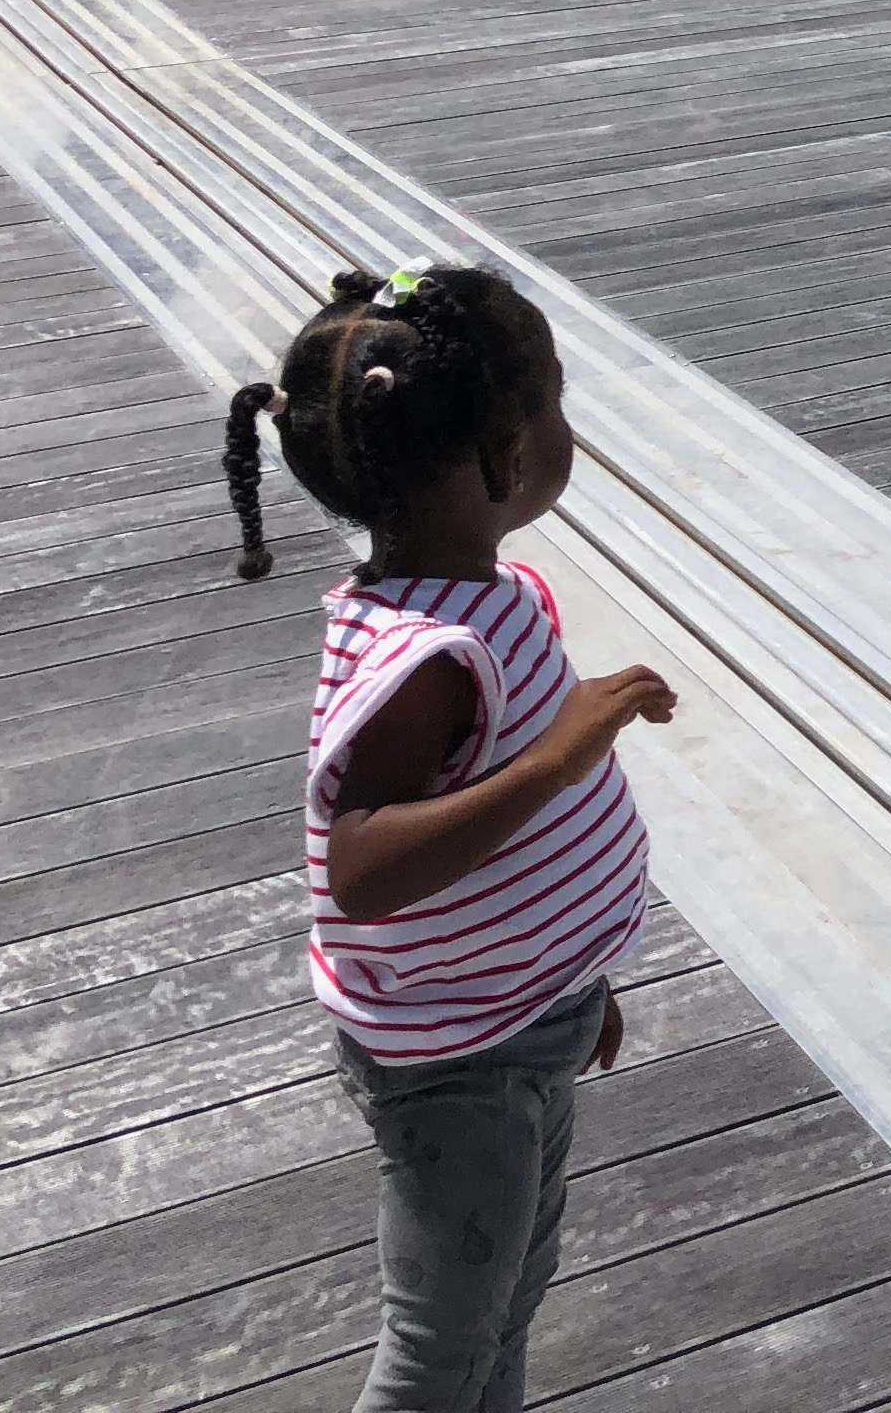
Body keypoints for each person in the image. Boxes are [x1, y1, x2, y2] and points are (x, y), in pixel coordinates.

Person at [221, 265, 676, 1413]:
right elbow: (364, 868)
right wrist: (560, 757)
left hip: (525, 1019)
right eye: (554, 402)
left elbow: (514, 850)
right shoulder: (422, 660)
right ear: (504, 459)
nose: (566, 428)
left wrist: (576, 974)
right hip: (456, 1064)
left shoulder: (485, 600)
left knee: (509, 1299)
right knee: (436, 1353)